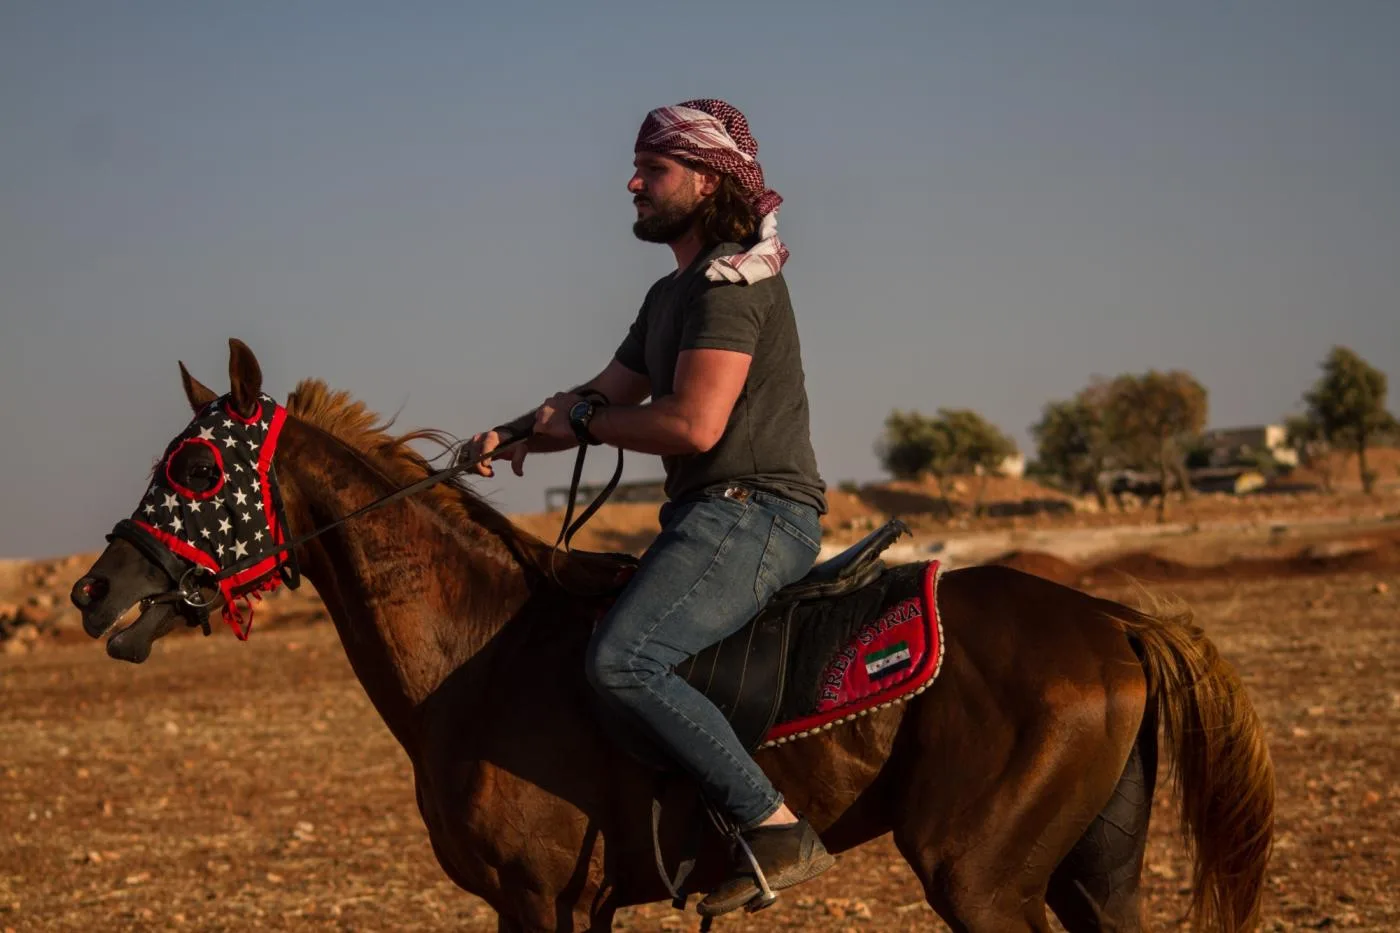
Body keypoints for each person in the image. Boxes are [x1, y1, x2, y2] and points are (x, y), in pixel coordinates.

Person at [464, 98, 833, 916]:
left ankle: (771, 826)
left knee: (621, 660)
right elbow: (604, 393)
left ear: (705, 181)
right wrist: (520, 428)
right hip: (710, 514)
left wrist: (587, 422)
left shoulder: (730, 283)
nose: (632, 183)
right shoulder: (673, 292)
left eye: (652, 170)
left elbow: (692, 424)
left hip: (756, 511)